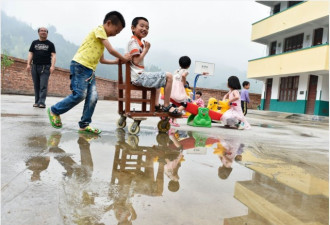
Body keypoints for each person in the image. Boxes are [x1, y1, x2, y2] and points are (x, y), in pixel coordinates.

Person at [47, 11, 131, 134]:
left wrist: (117, 62)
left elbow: (101, 60)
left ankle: (84, 125)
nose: (116, 34)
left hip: (90, 70)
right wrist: (123, 58)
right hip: (80, 66)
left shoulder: (102, 40)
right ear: (108, 23)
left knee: (93, 97)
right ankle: (54, 110)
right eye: (116, 31)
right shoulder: (99, 30)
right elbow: (111, 50)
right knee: (80, 94)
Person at [127, 17, 181, 116]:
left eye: (147, 27)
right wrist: (146, 50)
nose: (145, 29)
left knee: (159, 82)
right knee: (168, 76)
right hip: (138, 77)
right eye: (142, 26)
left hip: (137, 76)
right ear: (133, 28)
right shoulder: (133, 43)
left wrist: (144, 48)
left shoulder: (137, 43)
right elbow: (136, 60)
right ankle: (166, 105)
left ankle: (156, 105)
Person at [26, 27, 56, 108]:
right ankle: (37, 102)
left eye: (45, 31)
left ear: (47, 33)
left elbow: (53, 56)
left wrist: (52, 66)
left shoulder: (50, 44)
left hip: (45, 67)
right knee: (36, 85)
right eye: (41, 31)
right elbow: (31, 53)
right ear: (38, 32)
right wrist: (28, 64)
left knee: (43, 85)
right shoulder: (34, 43)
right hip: (35, 66)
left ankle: (42, 102)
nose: (43, 32)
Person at [169, 56, 192, 127]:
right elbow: (183, 76)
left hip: (172, 89)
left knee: (173, 103)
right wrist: (184, 83)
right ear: (188, 66)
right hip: (178, 89)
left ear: (179, 64)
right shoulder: (186, 71)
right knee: (185, 103)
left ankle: (171, 118)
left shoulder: (176, 71)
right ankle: (176, 112)